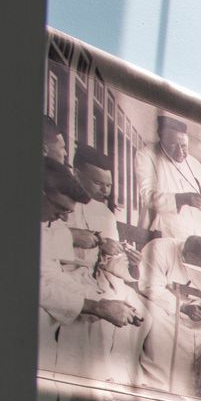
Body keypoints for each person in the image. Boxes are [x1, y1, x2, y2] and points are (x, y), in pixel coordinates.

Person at [39, 158, 141, 378]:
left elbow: (49, 273)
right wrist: (95, 307)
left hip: (82, 278)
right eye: (59, 210)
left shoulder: (54, 218)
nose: (63, 217)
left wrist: (99, 303)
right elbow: (41, 285)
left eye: (108, 185)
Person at [137, 233, 201, 398]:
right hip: (160, 303)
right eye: (199, 266)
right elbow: (149, 286)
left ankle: (188, 392)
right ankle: (157, 387)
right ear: (188, 256)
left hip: (192, 308)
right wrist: (182, 307)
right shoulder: (159, 249)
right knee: (161, 327)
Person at [135, 114, 201, 244]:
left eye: (184, 146)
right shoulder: (147, 156)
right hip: (166, 234)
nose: (180, 152)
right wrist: (184, 198)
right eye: (173, 145)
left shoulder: (195, 164)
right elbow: (148, 196)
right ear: (161, 138)